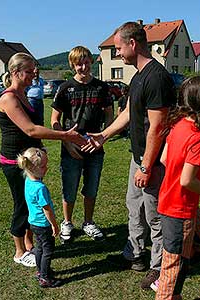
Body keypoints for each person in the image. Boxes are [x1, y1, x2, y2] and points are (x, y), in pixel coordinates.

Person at [82, 22, 176, 289]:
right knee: (134, 208)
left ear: (133, 44)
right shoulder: (137, 77)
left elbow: (157, 127)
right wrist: (103, 135)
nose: (118, 53)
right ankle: (134, 254)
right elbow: (128, 114)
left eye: (119, 47)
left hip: (153, 161)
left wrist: (146, 167)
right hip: (139, 157)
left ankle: (158, 268)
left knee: (155, 216)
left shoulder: (156, 77)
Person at [0, 52, 86, 267]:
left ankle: (28, 245)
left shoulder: (24, 94)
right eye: (29, 70)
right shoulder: (9, 98)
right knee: (22, 206)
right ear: (16, 73)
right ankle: (19, 252)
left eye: (35, 69)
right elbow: (30, 130)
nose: (34, 73)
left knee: (30, 203)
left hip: (28, 159)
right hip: (15, 162)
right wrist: (65, 135)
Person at [51, 46, 113, 243]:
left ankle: (88, 222)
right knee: (69, 188)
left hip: (95, 147)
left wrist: (103, 136)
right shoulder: (65, 88)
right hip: (72, 148)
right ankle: (67, 222)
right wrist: (67, 142)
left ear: (92, 62)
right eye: (79, 63)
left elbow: (110, 114)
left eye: (86, 62)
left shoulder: (102, 87)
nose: (83, 67)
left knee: (91, 188)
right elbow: (54, 119)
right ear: (72, 65)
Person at [153, 76, 200, 299]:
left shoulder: (178, 126)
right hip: (180, 210)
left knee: (176, 261)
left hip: (168, 204)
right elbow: (187, 180)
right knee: (173, 267)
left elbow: (163, 159)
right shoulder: (197, 137)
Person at [17, 147, 62, 288]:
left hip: (33, 223)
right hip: (43, 224)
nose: (46, 168)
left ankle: (40, 271)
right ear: (33, 168)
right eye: (43, 166)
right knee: (48, 250)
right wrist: (54, 225)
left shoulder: (28, 181)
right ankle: (44, 277)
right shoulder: (40, 188)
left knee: (39, 248)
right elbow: (47, 209)